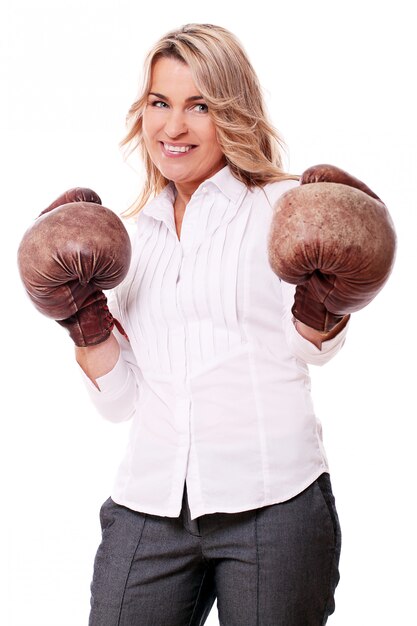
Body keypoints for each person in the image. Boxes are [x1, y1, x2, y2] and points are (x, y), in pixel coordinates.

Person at [17, 23, 396, 626]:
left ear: (234, 112)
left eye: (199, 106)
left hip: (273, 504)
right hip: (150, 504)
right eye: (159, 103)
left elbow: (315, 352)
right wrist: (83, 320)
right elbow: (120, 402)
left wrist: (326, 303)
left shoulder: (284, 207)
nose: (173, 127)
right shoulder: (132, 237)